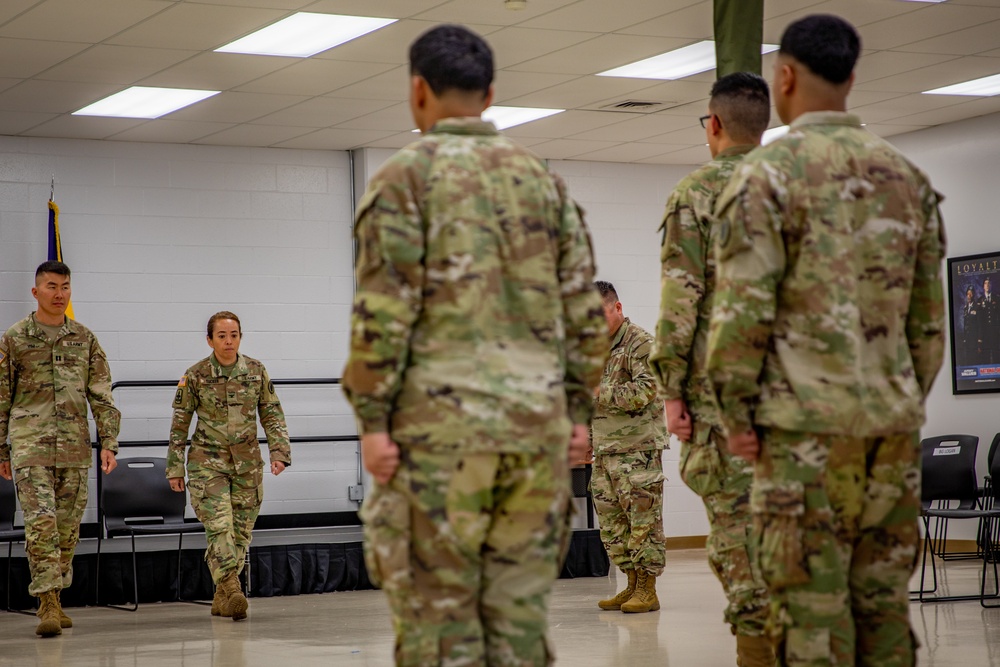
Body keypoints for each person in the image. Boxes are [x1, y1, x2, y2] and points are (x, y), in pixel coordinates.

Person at [342, 24, 606, 667]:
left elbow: (383, 312)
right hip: (534, 439)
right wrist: (576, 413)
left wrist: (373, 422)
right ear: (490, 93)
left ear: (418, 91)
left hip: (439, 440)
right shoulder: (543, 183)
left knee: (441, 629)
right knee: (518, 626)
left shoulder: (403, 180)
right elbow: (585, 312)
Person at [705, 14, 945, 667]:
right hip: (891, 440)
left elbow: (740, 320)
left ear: (783, 78)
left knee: (812, 623)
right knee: (885, 617)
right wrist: (897, 402)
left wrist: (736, 417)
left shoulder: (765, 176)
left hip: (802, 442)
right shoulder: (907, 179)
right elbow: (927, 326)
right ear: (851, 78)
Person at [648, 72, 774, 666]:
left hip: (724, 406)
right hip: (809, 405)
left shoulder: (697, 193)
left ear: (714, 125)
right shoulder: (802, 187)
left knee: (739, 544)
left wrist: (672, 389)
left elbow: (682, 299)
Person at [0, 261, 120, 637]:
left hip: (73, 445)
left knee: (67, 529)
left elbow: (101, 395)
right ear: (36, 292)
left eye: (65, 287)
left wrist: (109, 442)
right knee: (42, 523)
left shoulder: (84, 338)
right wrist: (2, 450)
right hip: (29, 444)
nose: (59, 294)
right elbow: (2, 396)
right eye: (51, 286)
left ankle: (56, 590)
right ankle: (47, 601)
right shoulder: (15, 337)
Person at [167, 311, 290, 621]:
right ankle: (233, 588)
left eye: (233, 334)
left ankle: (221, 595)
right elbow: (179, 426)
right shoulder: (195, 375)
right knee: (220, 527)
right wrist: (175, 467)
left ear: (240, 337)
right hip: (207, 464)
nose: (228, 341)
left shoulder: (256, 371)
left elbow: (272, 413)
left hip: (247, 465)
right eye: (221, 335)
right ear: (210, 340)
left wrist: (279, 452)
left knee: (240, 534)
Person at [591, 280, 667, 614]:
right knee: (613, 525)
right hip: (606, 450)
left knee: (643, 523)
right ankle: (631, 584)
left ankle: (647, 590)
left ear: (617, 308)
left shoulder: (641, 343)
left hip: (638, 450)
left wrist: (598, 392)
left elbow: (645, 392)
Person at [979, 277, 998, 364]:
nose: (987, 285)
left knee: (997, 355)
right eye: (985, 283)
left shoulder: (997, 299)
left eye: (989, 283)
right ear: (983, 286)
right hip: (984, 333)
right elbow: (978, 320)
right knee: (985, 356)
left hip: (995, 332)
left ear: (991, 286)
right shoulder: (979, 300)